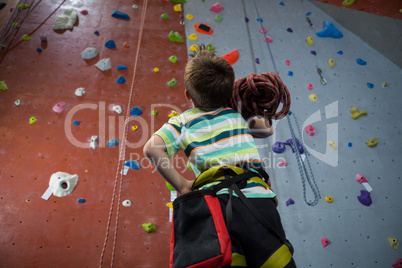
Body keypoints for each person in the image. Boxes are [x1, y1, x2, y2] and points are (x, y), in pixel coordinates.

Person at [143, 45, 296, 267]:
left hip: (217, 206)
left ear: (188, 95)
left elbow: (150, 149)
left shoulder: (181, 122)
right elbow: (267, 130)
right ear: (229, 91)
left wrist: (184, 186)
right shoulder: (237, 115)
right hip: (259, 202)